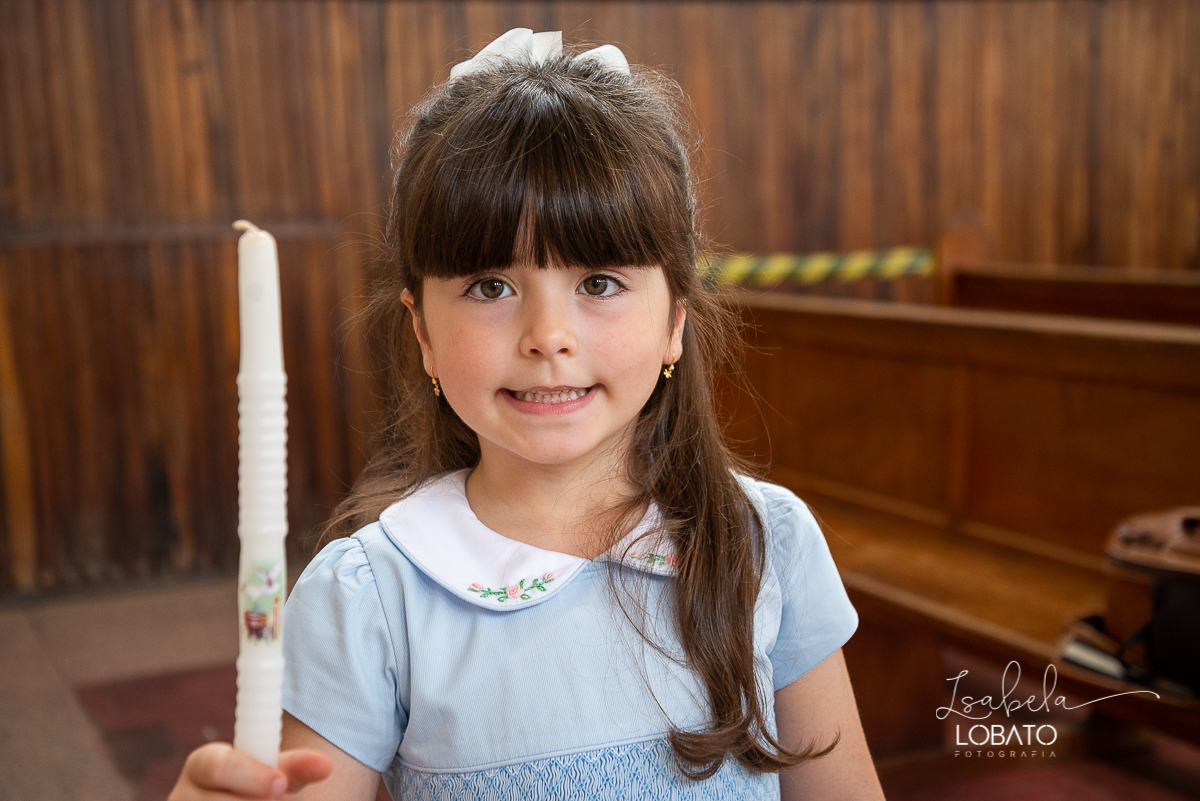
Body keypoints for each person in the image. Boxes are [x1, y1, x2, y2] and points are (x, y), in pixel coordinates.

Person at [170, 28, 885, 801]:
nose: (548, 335)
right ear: (423, 333)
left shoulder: (763, 544)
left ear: (675, 319)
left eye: (599, 282)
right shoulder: (373, 595)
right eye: (490, 286)